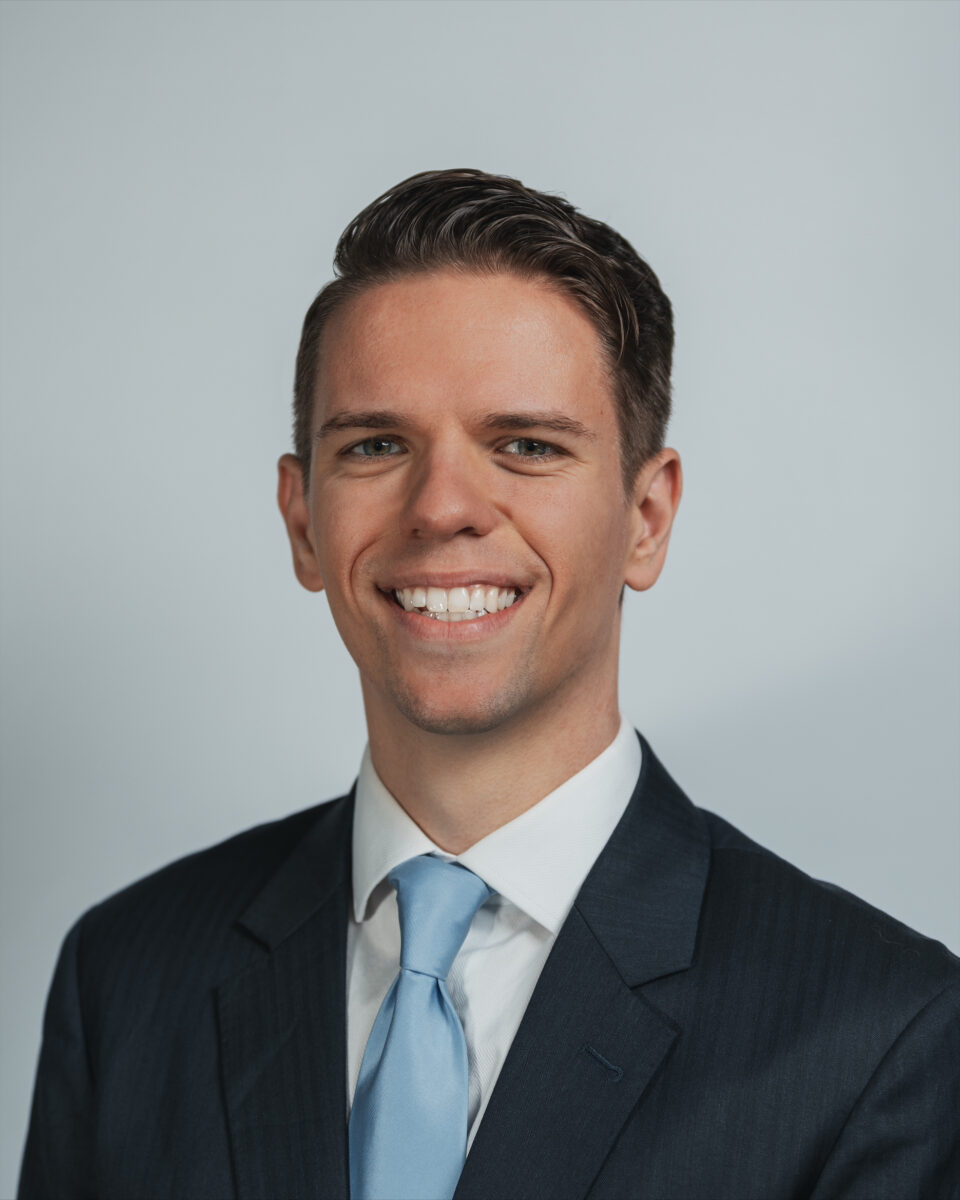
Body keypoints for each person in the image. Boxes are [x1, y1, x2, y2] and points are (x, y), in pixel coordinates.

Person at [19, 168, 959, 1200]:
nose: (443, 507)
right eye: (378, 445)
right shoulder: (128, 977)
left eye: (525, 445)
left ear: (646, 517)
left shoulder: (879, 1034)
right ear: (302, 520)